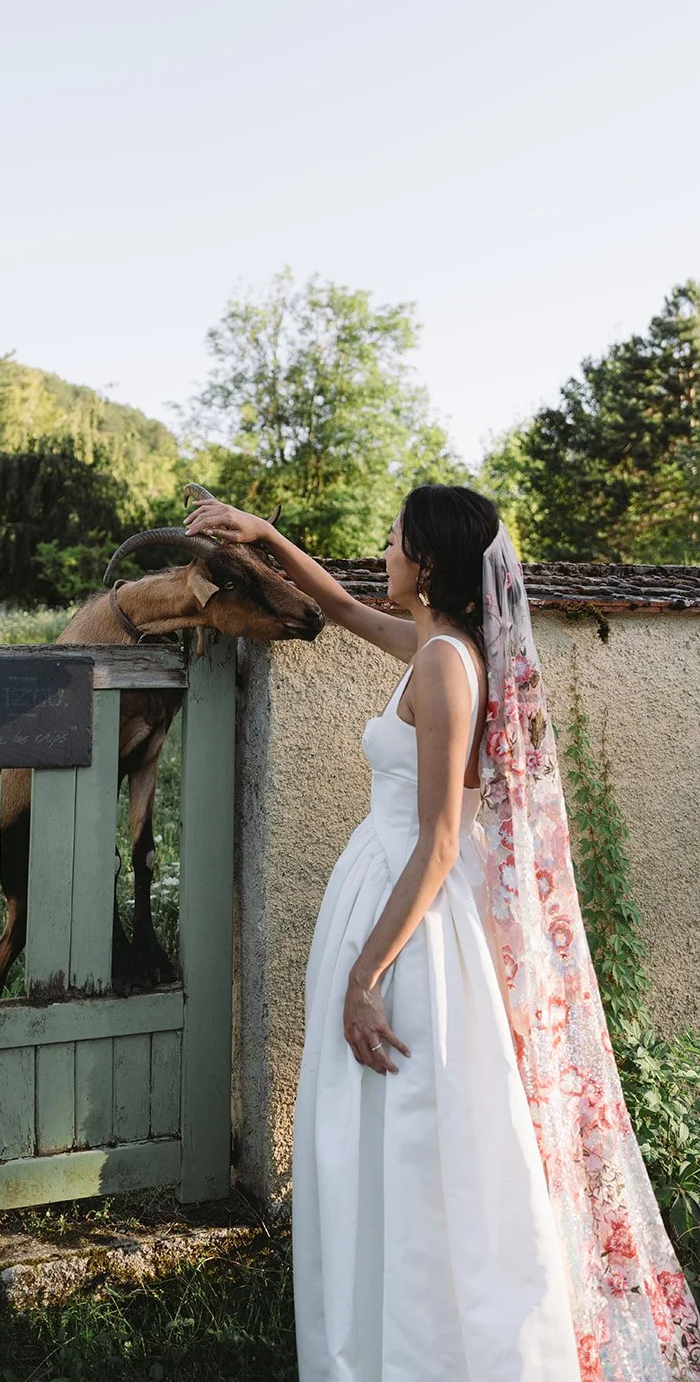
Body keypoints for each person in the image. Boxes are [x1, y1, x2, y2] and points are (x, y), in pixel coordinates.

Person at [183, 484, 700, 1382]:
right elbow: (338, 606)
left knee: (420, 1138)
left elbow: (441, 842)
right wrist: (262, 534)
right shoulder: (431, 646)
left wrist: (364, 976)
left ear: (425, 563)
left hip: (413, 939)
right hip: (388, 912)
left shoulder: (444, 667)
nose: (380, 554)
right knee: (382, 1139)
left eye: (391, 541)